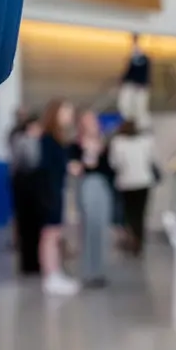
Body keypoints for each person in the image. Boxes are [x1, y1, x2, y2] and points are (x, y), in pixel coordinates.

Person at [36, 100, 79, 295]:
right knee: (50, 235)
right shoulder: (48, 140)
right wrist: (68, 167)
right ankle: (50, 275)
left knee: (55, 234)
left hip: (55, 190)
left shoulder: (58, 139)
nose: (69, 116)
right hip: (49, 193)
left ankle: (55, 272)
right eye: (65, 112)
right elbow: (47, 168)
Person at [69, 111, 115, 288]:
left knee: (101, 228)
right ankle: (88, 271)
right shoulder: (76, 145)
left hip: (102, 185)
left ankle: (100, 270)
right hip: (87, 185)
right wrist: (86, 158)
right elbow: (74, 167)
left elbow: (110, 169)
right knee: (88, 227)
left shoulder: (105, 143)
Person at [109, 119, 155, 256]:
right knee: (140, 213)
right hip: (144, 181)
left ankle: (131, 239)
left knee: (129, 213)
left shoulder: (118, 143)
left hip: (126, 182)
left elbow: (114, 163)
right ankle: (140, 240)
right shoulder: (145, 141)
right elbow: (150, 159)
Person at [9, 112, 43, 275]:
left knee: (35, 228)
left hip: (34, 188)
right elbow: (28, 162)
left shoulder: (37, 141)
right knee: (27, 227)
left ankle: (35, 261)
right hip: (25, 187)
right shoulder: (23, 141)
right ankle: (28, 264)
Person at [118, 33, 151, 127]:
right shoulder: (134, 58)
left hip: (139, 85)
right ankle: (130, 123)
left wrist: (141, 83)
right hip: (133, 84)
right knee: (127, 105)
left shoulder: (143, 59)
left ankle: (137, 125)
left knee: (139, 107)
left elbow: (142, 71)